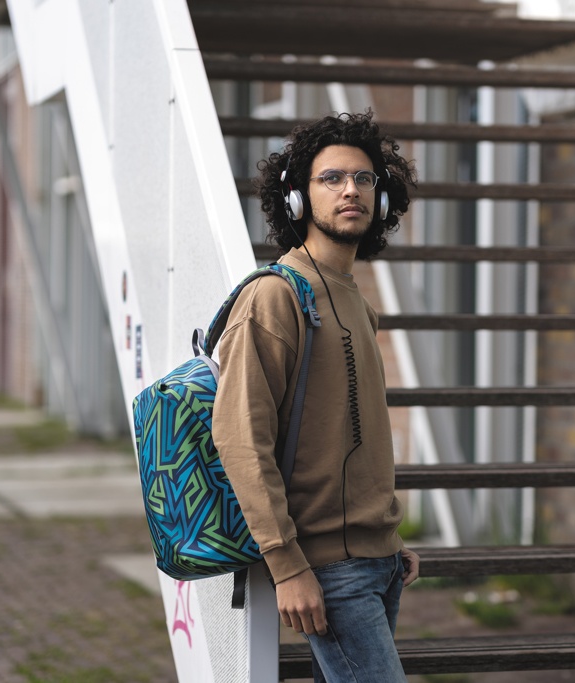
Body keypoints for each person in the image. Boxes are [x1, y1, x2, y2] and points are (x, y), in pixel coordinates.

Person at [213, 110, 420, 683]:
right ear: (297, 199)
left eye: (363, 179)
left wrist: (387, 539)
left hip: (379, 562)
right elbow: (239, 438)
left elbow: (356, 435)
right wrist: (286, 565)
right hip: (328, 569)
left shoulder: (356, 300)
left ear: (381, 199)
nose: (350, 190)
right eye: (331, 178)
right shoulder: (275, 298)